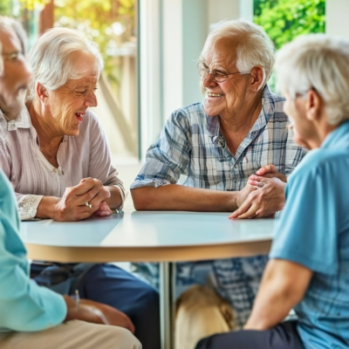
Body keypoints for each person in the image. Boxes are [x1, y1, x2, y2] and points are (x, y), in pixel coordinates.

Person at [130, 19, 304, 329]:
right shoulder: (185, 121)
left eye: (220, 73)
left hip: (269, 282)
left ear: (256, 78)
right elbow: (144, 192)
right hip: (196, 275)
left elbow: (329, 187)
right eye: (204, 68)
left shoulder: (294, 118)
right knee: (191, 317)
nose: (207, 81)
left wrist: (288, 191)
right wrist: (234, 199)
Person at [0, 22, 159, 349]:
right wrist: (54, 207)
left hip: (82, 265)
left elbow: (117, 186)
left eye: (94, 89)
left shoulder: (89, 127)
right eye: (80, 91)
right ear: (42, 90)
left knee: (147, 302)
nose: (92, 102)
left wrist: (106, 194)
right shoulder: (6, 129)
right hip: (26, 271)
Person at [196, 33, 349, 349]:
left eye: (287, 97)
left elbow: (284, 287)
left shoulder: (321, 167)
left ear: (311, 102)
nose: (284, 112)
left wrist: (251, 338)